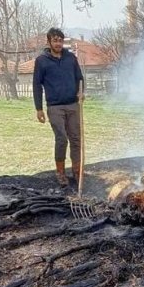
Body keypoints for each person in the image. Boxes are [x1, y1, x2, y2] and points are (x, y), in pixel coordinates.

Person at [33, 27, 84, 187]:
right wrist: (39, 108)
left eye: (60, 40)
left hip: (73, 105)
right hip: (55, 107)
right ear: (49, 42)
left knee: (76, 139)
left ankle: (77, 170)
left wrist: (81, 93)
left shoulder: (71, 58)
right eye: (55, 40)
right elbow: (36, 85)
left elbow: (80, 79)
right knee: (61, 139)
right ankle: (61, 172)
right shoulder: (42, 61)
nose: (58, 43)